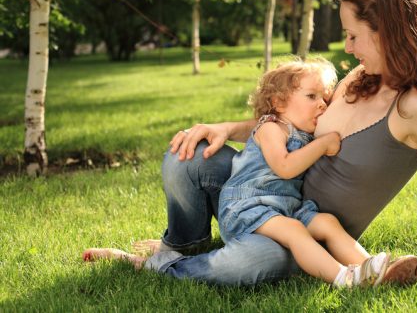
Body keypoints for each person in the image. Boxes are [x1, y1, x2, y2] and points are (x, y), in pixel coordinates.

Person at [89, 0, 417, 285]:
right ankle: (181, 246)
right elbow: (293, 129)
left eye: (353, 35)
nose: (347, 47)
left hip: (308, 230)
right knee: (186, 157)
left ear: (387, 30)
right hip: (267, 192)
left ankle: (156, 266)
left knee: (252, 263)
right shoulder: (360, 79)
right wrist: (228, 129)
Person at [84, 58, 394, 287]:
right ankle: (344, 278)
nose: (323, 105)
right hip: (249, 208)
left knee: (326, 222)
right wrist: (323, 144)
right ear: (278, 102)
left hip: (284, 207)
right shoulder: (272, 128)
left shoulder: (304, 131)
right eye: (312, 97)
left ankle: (373, 267)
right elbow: (285, 167)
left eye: (325, 99)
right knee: (295, 232)